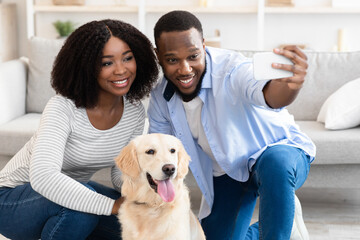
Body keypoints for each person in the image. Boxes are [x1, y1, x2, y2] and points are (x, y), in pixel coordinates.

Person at [147, 10, 315, 240]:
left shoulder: (232, 69)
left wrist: (290, 86)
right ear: (159, 56)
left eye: (193, 56)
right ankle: (288, 223)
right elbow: (159, 158)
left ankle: (278, 232)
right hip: (230, 169)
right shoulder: (160, 98)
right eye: (173, 60)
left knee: (275, 162)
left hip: (279, 154)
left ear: (204, 46)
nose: (185, 69)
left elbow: (269, 95)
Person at [0, 19, 158, 240]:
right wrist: (111, 205)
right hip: (12, 201)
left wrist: (144, 192)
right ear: (87, 67)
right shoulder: (62, 107)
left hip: (72, 191)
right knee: (83, 210)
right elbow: (44, 177)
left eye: (128, 58)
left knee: (139, 219)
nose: (121, 70)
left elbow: (119, 170)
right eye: (107, 63)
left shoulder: (134, 112)